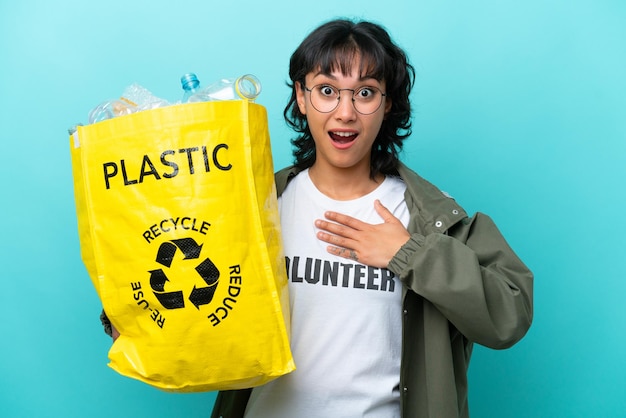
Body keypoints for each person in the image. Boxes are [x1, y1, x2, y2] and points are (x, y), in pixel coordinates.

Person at [101, 17, 533, 418]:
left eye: (365, 92)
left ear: (387, 105)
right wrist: (133, 322)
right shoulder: (254, 204)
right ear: (301, 98)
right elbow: (195, 296)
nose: (345, 112)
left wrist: (411, 253)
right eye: (327, 89)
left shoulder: (429, 214)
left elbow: (508, 315)